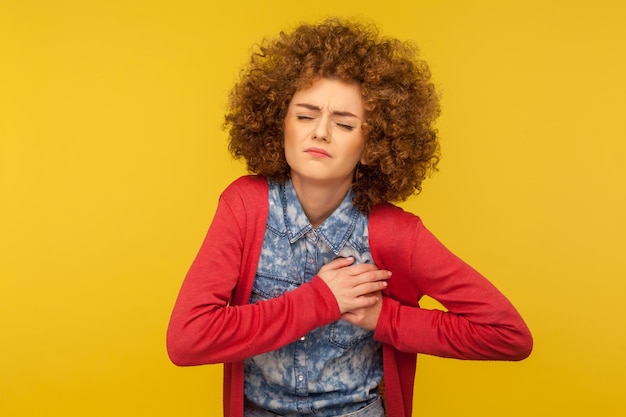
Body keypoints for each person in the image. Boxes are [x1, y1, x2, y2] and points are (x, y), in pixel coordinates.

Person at [166, 18, 533, 417]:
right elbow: (187, 341)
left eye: (343, 124)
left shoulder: (395, 234)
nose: (320, 132)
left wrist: (386, 318)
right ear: (279, 122)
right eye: (305, 116)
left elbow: (508, 335)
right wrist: (321, 300)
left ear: (372, 141)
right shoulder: (244, 207)